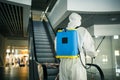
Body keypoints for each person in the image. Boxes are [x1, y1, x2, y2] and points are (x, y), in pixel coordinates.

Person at [56, 12, 98, 80]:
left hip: (63, 64)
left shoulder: (62, 32)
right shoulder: (82, 30)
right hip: (76, 64)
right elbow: (89, 48)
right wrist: (94, 54)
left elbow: (57, 49)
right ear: (78, 20)